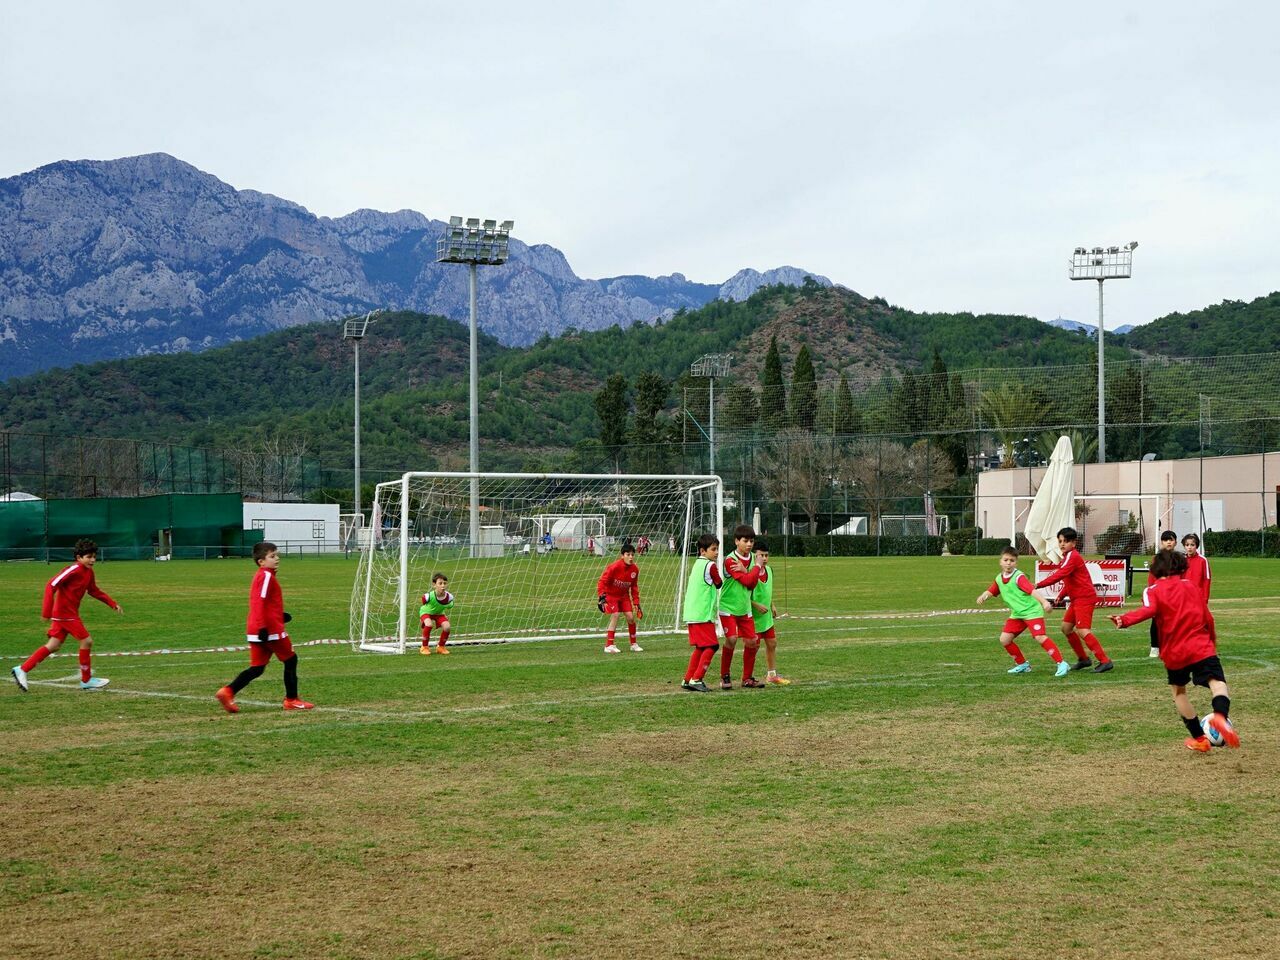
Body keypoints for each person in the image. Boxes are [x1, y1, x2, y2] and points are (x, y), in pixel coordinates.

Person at [1109, 549, 1240, 752]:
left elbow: (1149, 611)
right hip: (1201, 646)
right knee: (1218, 684)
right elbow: (1208, 618)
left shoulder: (1152, 590)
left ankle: (1200, 739)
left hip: (1175, 651)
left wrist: (1124, 620)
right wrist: (1212, 642)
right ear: (1180, 565)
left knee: (1179, 692)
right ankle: (1220, 716)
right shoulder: (1191, 587)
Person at [11, 538, 122, 693]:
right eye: (89, 557)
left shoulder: (89, 573)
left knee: (53, 645)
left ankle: (22, 669)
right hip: (65, 614)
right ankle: (86, 680)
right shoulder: (73, 570)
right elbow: (51, 585)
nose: (93, 560)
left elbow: (94, 590)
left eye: (94, 556)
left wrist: (112, 603)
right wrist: (46, 611)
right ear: (79, 558)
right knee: (87, 641)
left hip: (68, 614)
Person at [215, 541, 312, 713]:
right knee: (291, 659)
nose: (277, 559)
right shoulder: (266, 575)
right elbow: (260, 600)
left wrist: (279, 616)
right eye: (272, 556)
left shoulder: (262, 575)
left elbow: (263, 603)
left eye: (277, 555)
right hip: (269, 630)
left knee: (257, 668)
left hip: (257, 629)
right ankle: (292, 700)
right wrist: (264, 626)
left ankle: (227, 691)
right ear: (261, 561)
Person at [976, 546, 1069, 677]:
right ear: (1000, 561)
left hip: (1032, 612)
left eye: (1012, 560)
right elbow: (992, 590)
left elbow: (1032, 590)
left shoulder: (1019, 577)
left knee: (1039, 637)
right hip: (1017, 614)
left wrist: (1044, 602)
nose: (1009, 563)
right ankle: (1023, 665)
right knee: (1005, 640)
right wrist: (983, 596)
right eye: (1006, 560)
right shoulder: (999, 578)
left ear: (1016, 562)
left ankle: (1061, 663)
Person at [1034, 526, 1114, 673]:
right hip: (1077, 599)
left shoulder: (1073, 556)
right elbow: (1070, 578)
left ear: (1074, 543)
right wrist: (1062, 595)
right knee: (1066, 628)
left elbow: (1060, 574)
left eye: (1066, 541)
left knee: (1083, 630)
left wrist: (1039, 584)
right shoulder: (1067, 557)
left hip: (1084, 598)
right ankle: (1083, 659)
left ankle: (1105, 661)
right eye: (1060, 541)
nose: (1062, 544)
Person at [719, 524, 764, 689]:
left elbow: (752, 585)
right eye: (745, 540)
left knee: (753, 641)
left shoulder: (753, 558)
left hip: (744, 608)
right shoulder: (730, 560)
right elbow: (747, 581)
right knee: (731, 639)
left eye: (752, 541)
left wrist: (748, 570)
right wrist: (755, 568)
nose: (749, 544)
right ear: (736, 541)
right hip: (728, 607)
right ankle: (724, 675)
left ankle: (747, 678)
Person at [681, 534, 722, 692]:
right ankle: (697, 678)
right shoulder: (710, 566)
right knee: (712, 645)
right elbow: (718, 583)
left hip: (692, 612)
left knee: (700, 647)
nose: (717, 552)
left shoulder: (698, 564)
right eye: (713, 549)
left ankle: (687, 679)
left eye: (717, 549)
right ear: (703, 551)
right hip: (702, 613)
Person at [750, 540, 791, 685]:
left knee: (772, 643)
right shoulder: (750, 571)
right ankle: (747, 676)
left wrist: (772, 604)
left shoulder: (769, 570)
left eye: (767, 555)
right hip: (753, 617)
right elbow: (742, 596)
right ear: (754, 556)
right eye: (761, 555)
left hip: (766, 616)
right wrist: (755, 605)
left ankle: (772, 674)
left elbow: (767, 590)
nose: (765, 558)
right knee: (753, 647)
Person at [597, 541, 642, 653]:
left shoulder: (635, 570)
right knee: (615, 615)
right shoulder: (614, 567)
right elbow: (603, 581)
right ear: (622, 556)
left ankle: (633, 644)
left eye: (632, 554)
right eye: (628, 554)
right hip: (611, 595)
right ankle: (609, 645)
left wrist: (636, 603)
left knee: (631, 618)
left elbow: (634, 587)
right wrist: (601, 596)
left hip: (624, 596)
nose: (631, 557)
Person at [1146, 530, 1179, 658]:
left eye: (1171, 540)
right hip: (1159, 594)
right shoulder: (1157, 558)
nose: (1168, 542)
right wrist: (1151, 592)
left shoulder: (1178, 558)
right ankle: (1155, 647)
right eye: (1165, 540)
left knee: (1175, 622)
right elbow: (1152, 576)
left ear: (1175, 542)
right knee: (1156, 622)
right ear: (1162, 542)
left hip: (1174, 595)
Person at [1181, 532, 1215, 642]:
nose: (1189, 547)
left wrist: (1205, 598)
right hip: (1184, 597)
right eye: (1187, 545)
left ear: (1196, 546)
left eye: (1192, 545)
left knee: (1201, 620)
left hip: (1198, 597)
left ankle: (1206, 640)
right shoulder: (1181, 560)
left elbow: (1207, 579)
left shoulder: (1202, 560)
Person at [419, 572, 455, 655]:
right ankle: (424, 647)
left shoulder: (449, 597)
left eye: (445, 583)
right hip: (426, 612)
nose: (443, 585)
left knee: (447, 627)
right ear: (434, 585)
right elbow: (424, 602)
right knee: (429, 624)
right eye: (440, 583)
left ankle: (441, 647)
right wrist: (425, 617)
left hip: (439, 613)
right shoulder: (428, 596)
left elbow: (450, 606)